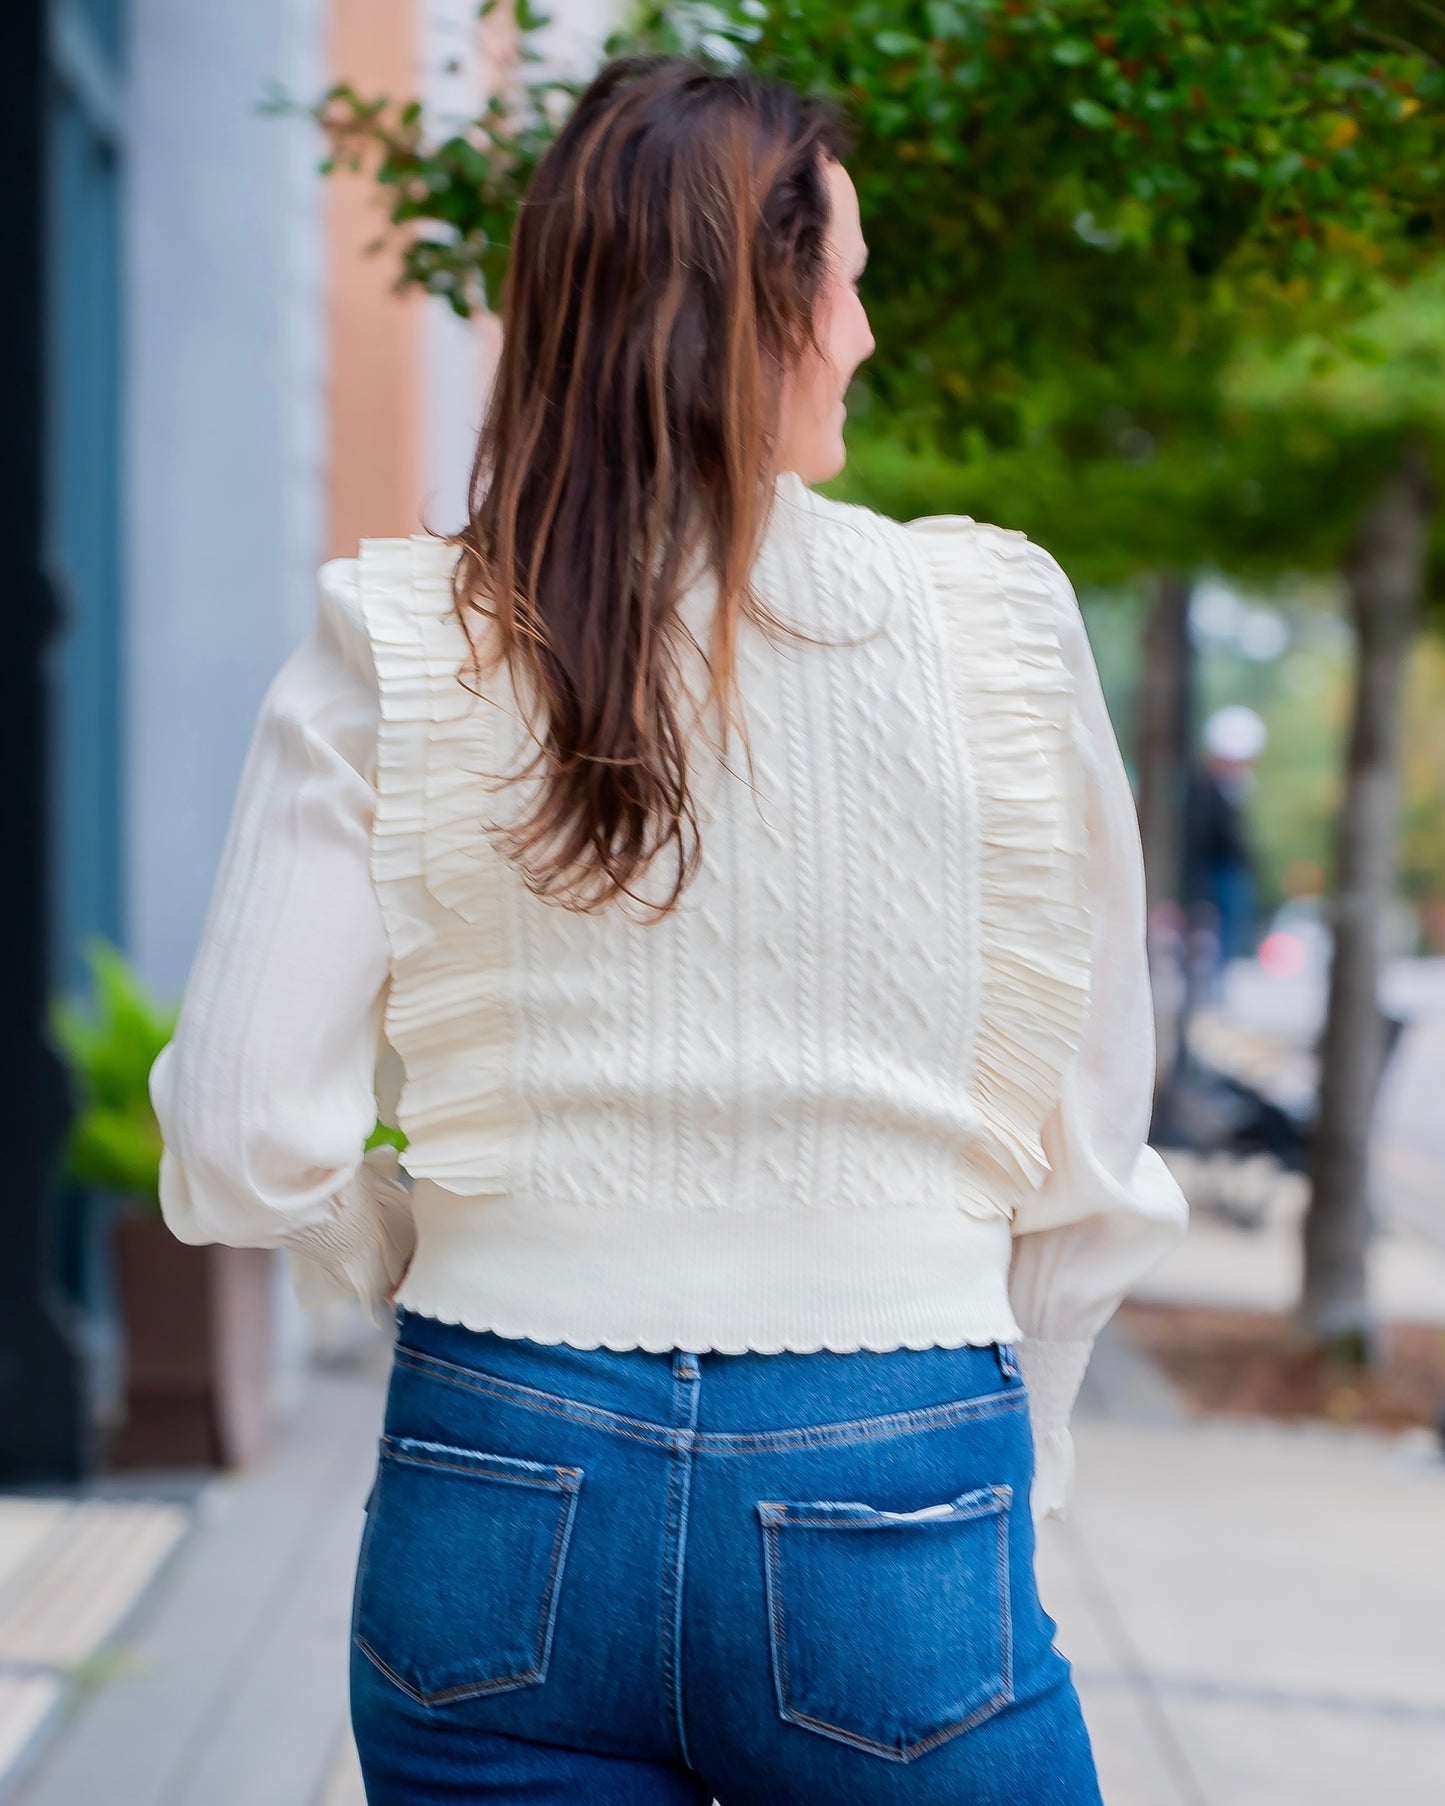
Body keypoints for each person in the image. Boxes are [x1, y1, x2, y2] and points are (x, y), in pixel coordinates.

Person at [149, 55, 1187, 1806]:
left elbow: (244, 1131)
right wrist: (1021, 1442)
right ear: (760, 307)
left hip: (498, 1453)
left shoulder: (399, 633)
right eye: (845, 283)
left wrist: (422, 1252)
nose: (862, 334)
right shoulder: (993, 626)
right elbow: (1085, 1147)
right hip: (892, 1454)